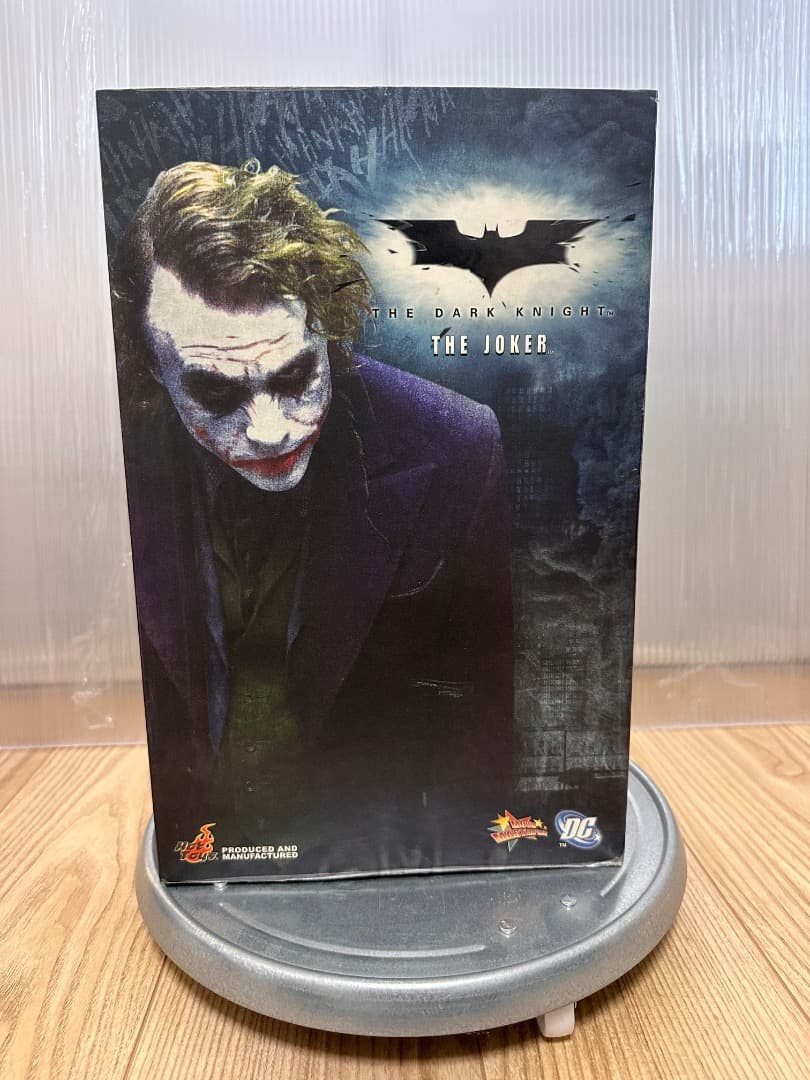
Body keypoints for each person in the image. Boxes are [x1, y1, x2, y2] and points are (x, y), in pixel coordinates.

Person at [110, 159, 515, 877]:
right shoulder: (113, 452)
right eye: (215, 392)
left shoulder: (454, 445)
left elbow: (479, 715)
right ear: (150, 369)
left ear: (330, 331)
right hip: (191, 851)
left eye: (296, 376)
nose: (269, 431)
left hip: (374, 855)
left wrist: (463, 878)